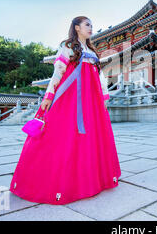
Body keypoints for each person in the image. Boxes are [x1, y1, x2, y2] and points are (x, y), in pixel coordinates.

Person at [9, 16, 121, 205]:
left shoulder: (93, 51)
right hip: (72, 97)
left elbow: (100, 78)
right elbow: (58, 71)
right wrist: (48, 97)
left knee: (92, 136)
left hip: (91, 100)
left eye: (91, 25)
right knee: (63, 134)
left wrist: (104, 98)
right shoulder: (69, 46)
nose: (91, 28)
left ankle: (91, 180)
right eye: (87, 25)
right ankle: (51, 180)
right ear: (77, 27)